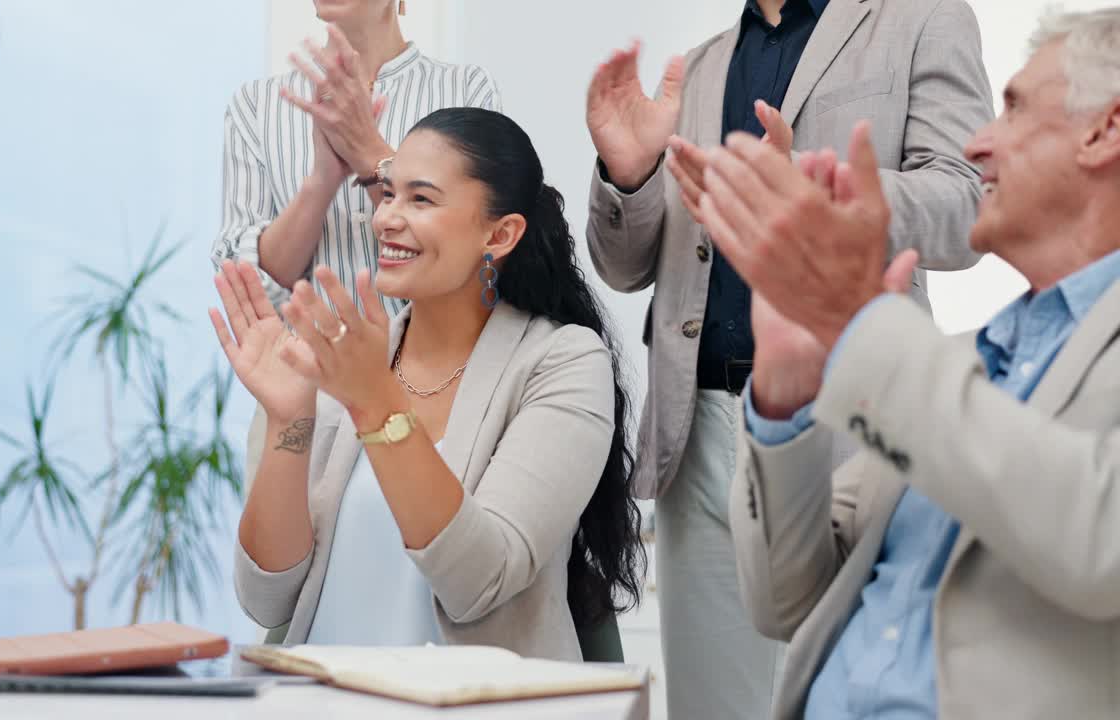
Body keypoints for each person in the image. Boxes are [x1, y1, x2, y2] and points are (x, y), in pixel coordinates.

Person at [697, 8, 1120, 718]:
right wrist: (784, 396)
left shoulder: (909, 364)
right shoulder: (965, 362)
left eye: (1011, 109)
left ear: (1104, 130)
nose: (977, 143)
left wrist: (862, 322)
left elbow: (1099, 545)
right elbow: (785, 601)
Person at [584, 0, 992, 716]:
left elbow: (969, 205)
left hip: (848, 423)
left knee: (848, 695)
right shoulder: (707, 62)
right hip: (697, 430)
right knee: (712, 705)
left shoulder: (924, 18)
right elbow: (626, 268)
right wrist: (630, 176)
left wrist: (816, 184)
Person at [211, 108, 645, 660]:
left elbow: (477, 583)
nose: (386, 217)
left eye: (421, 199)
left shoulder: (563, 363)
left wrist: (377, 406)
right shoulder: (342, 360)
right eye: (388, 194)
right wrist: (288, 421)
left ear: (501, 233)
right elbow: (267, 600)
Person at [211, 0, 500, 318]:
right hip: (305, 364)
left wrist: (368, 152)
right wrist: (321, 182)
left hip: (432, 364)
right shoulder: (256, 105)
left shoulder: (466, 90)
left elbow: (474, 245)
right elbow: (246, 284)